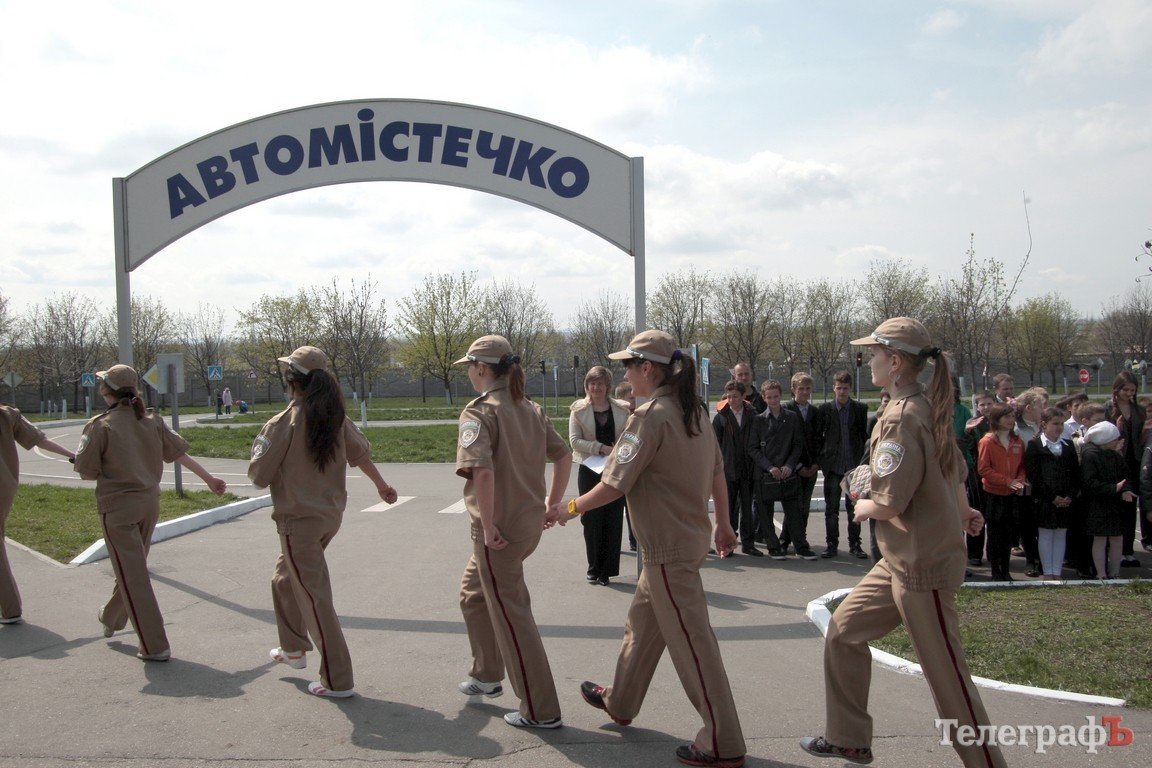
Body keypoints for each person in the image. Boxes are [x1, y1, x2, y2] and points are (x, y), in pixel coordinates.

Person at [801, 317, 1005, 768]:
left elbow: (889, 503)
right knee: (843, 631)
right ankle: (849, 738)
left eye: (873, 354)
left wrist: (861, 504)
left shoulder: (902, 416)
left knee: (948, 680)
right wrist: (964, 512)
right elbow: (952, 471)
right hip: (899, 560)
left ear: (894, 362)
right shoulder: (921, 406)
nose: (868, 361)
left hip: (921, 565)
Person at [567, 329, 745, 768]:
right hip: (681, 544)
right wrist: (723, 524)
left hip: (667, 553)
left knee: (694, 646)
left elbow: (613, 484)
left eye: (628, 366)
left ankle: (721, 741)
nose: (625, 374)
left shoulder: (650, 417)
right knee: (642, 628)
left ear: (647, 368)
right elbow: (717, 471)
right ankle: (621, 701)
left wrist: (568, 508)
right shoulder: (694, 411)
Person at [249, 346, 397, 698]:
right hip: (328, 517)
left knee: (314, 598)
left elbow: (258, 476)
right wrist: (381, 485)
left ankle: (337, 678)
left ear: (291, 382)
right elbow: (360, 454)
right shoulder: (335, 418)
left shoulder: (283, 423)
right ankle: (293, 648)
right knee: (284, 579)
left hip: (297, 523)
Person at [453, 335, 572, 729]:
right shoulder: (530, 408)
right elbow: (564, 454)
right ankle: (487, 673)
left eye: (470, 367)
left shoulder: (480, 412)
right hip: (526, 526)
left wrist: (488, 526)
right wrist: (552, 503)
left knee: (512, 617)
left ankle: (541, 709)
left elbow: (483, 472)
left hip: (498, 533)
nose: (469, 373)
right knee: (472, 595)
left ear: (482, 369)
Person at [74, 365, 226, 661]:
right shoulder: (151, 419)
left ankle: (155, 645)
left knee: (134, 575)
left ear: (106, 391)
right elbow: (177, 453)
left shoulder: (100, 425)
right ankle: (111, 616)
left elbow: (86, 474)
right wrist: (209, 479)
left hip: (118, 508)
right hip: (149, 504)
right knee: (132, 569)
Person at [1, 404, 76, 624]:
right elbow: (39, 440)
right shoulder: (7, 414)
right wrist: (72, 455)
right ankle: (10, 607)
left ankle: (10, 608)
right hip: (5, 487)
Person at [569, 366, 630, 583]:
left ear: (607, 386)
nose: (596, 387)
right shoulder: (578, 410)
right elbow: (574, 441)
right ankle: (594, 567)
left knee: (613, 518)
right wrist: (600, 448)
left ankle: (607, 572)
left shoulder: (622, 409)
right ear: (587, 386)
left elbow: (629, 435)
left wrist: (618, 449)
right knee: (591, 518)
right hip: (589, 469)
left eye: (600, 383)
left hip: (615, 469)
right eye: (592, 383)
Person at [749, 380, 817, 560]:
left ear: (781, 395)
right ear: (764, 398)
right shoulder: (759, 420)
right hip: (766, 474)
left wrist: (790, 465)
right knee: (765, 513)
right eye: (769, 397)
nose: (773, 400)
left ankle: (801, 546)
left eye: (776, 396)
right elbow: (753, 448)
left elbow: (797, 444)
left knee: (794, 513)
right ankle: (773, 547)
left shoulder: (791, 417)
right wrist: (769, 467)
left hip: (788, 473)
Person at [817, 371, 869, 559]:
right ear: (833, 388)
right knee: (831, 509)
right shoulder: (825, 409)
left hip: (853, 467)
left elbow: (863, 436)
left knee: (853, 508)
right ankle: (832, 544)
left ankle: (855, 544)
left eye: (845, 388)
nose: (842, 392)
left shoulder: (860, 409)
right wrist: (822, 461)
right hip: (833, 466)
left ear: (850, 388)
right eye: (839, 388)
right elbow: (819, 437)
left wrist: (863, 462)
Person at [1024, 407, 1080, 579]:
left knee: (1061, 533)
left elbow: (1075, 474)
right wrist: (1052, 497)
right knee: (1046, 534)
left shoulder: (1068, 445)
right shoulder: (1035, 445)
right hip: (1044, 499)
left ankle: (1057, 571)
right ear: (1044, 424)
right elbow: (1034, 476)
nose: (1059, 427)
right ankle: (1048, 571)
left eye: (1061, 424)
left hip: (1065, 498)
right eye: (1055, 424)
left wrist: (1069, 495)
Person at [1079, 421, 1136, 580]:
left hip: (1115, 504)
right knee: (1100, 538)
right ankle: (1101, 573)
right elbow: (1089, 482)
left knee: (1117, 537)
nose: (1117, 441)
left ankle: (1115, 572)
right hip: (1097, 504)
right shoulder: (1090, 456)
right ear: (1105, 439)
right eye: (1114, 439)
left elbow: (1126, 476)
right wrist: (1113, 488)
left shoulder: (1115, 455)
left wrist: (1126, 489)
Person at [977, 403, 1028, 581]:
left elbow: (1022, 466)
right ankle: (996, 571)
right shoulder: (987, 441)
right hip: (993, 494)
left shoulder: (1017, 441)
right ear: (996, 419)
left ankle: (1006, 570)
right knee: (994, 534)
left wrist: (1019, 481)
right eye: (1007, 417)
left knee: (1008, 534)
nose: (1011, 420)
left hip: (1011, 494)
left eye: (1013, 417)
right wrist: (1008, 481)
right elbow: (984, 469)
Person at [713, 380, 759, 555]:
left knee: (747, 508)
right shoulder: (721, 417)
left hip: (747, 468)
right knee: (730, 509)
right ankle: (729, 545)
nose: (732, 400)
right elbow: (715, 444)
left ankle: (748, 543)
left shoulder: (752, 414)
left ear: (743, 396)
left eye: (736, 396)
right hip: (728, 469)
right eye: (729, 396)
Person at [782, 372, 823, 555]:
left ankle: (801, 538)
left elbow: (818, 440)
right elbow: (785, 442)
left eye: (808, 388)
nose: (805, 392)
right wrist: (797, 466)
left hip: (811, 467)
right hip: (793, 467)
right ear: (793, 389)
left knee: (804, 506)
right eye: (801, 388)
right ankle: (785, 539)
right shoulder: (787, 410)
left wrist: (815, 464)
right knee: (792, 506)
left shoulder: (815, 412)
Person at [1104, 371, 1142, 568]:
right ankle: (1113, 552)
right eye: (1125, 390)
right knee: (1115, 507)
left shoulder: (1138, 410)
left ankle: (1128, 550)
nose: (1129, 394)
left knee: (1130, 506)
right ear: (1117, 389)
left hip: (1134, 461)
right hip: (1115, 460)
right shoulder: (1108, 409)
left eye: (1132, 390)